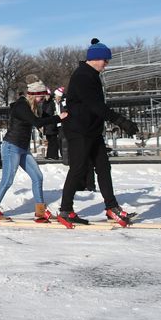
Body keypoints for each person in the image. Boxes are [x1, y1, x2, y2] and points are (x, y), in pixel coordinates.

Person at [57, 39, 140, 228]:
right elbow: (95, 105)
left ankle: (112, 207)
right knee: (78, 169)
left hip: (92, 130)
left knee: (103, 167)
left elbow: (96, 107)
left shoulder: (92, 75)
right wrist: (121, 121)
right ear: (95, 58)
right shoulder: (82, 76)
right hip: (79, 131)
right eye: (105, 60)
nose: (106, 64)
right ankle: (65, 210)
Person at [0, 77, 67, 226]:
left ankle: (40, 212)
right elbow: (36, 122)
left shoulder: (30, 105)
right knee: (7, 180)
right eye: (41, 97)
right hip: (11, 147)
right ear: (34, 94)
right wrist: (58, 118)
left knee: (38, 176)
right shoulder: (21, 106)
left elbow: (38, 120)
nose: (42, 100)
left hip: (22, 148)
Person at [43, 88, 64, 160]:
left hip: (58, 125)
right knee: (53, 141)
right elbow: (48, 114)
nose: (56, 97)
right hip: (52, 125)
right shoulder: (51, 103)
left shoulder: (61, 103)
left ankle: (54, 155)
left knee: (55, 140)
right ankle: (53, 155)